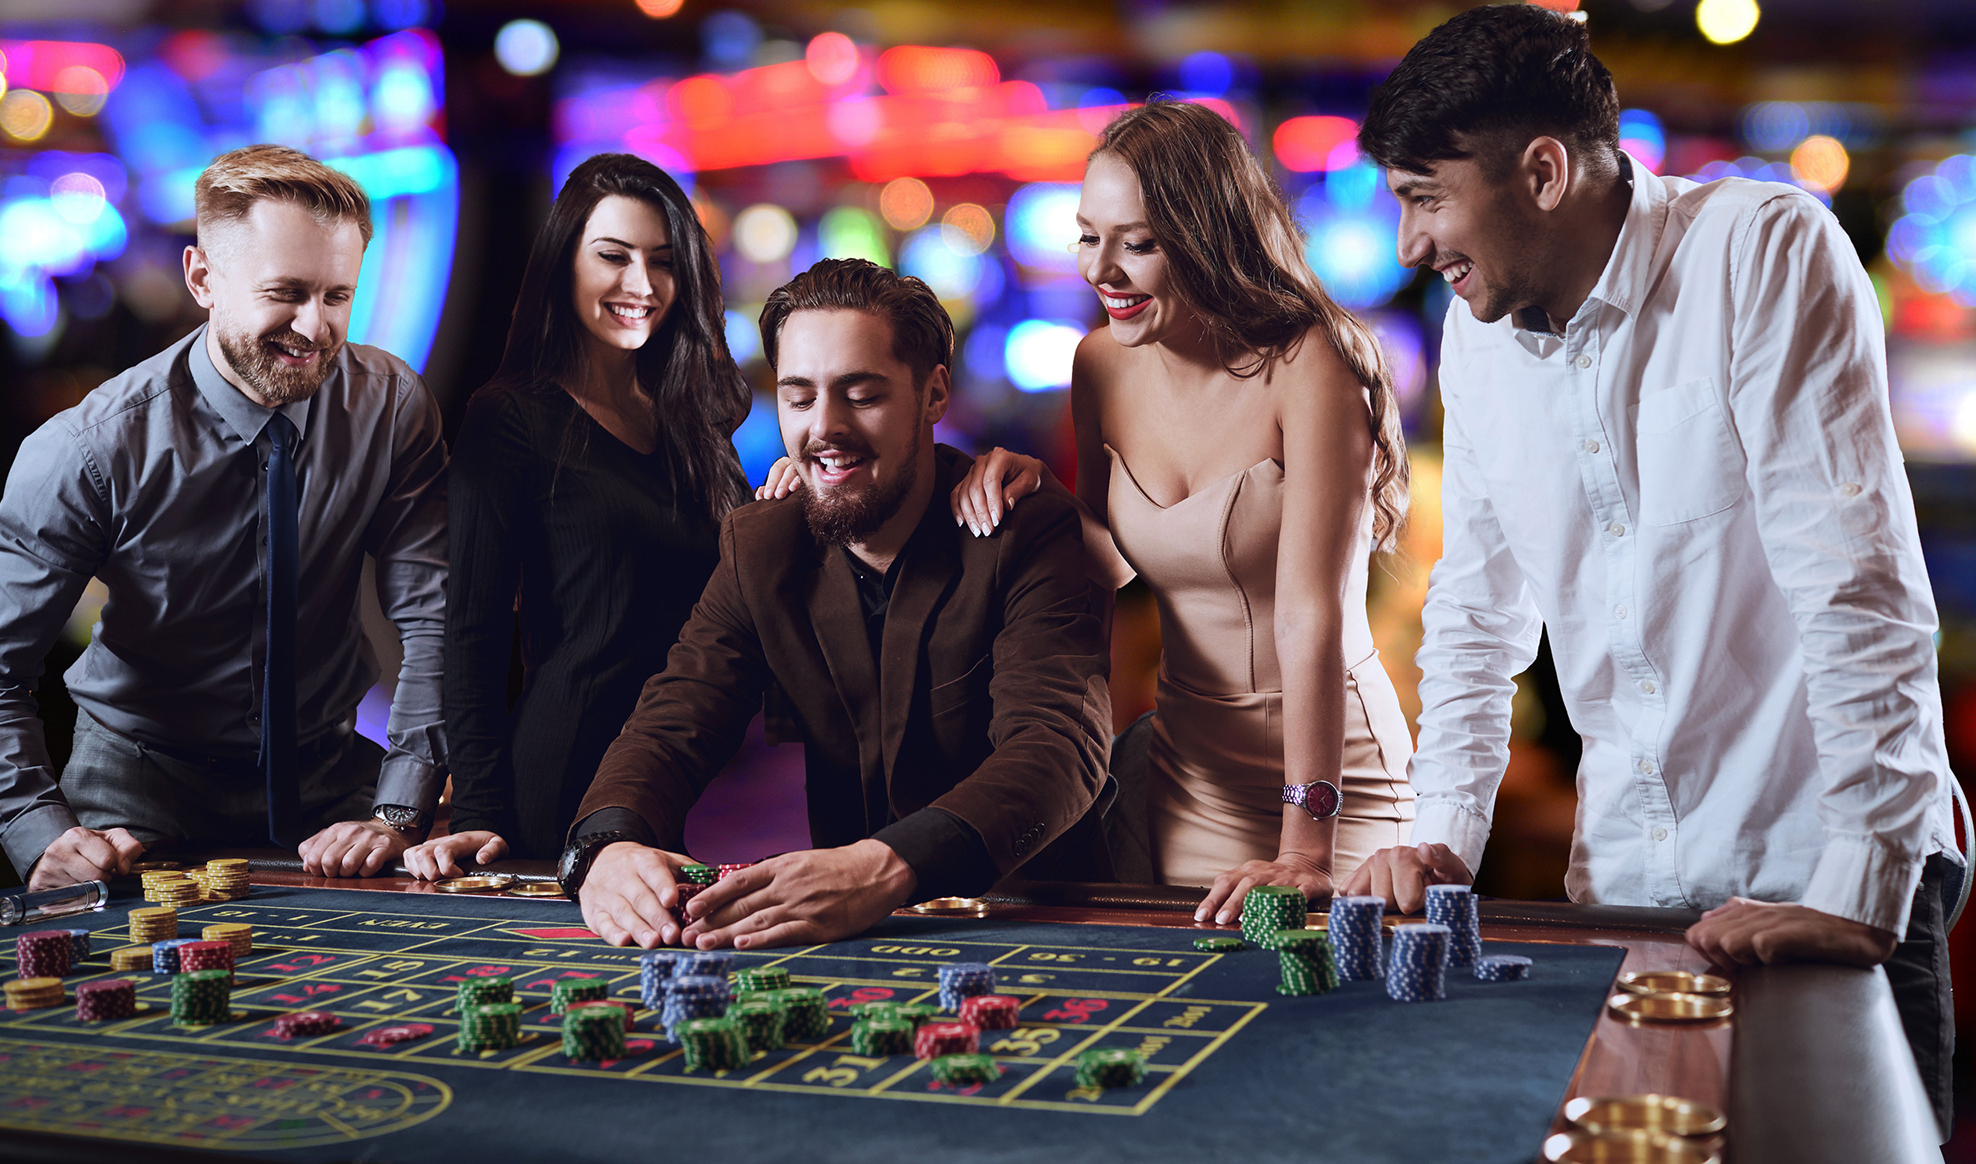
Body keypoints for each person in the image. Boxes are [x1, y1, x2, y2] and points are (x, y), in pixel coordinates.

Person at [1338, 4, 1958, 1136]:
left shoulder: (1760, 250)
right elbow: (1475, 608)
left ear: (1540, 172)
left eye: (1425, 199)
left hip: (1814, 862)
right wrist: (1443, 834)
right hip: (1624, 880)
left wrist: (1861, 890)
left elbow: (1852, 585)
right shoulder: (1476, 334)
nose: (1409, 246)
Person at [789, 101, 1414, 925]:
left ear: (1209, 235)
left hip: (1333, 786)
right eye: (1089, 236)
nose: (1101, 270)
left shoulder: (1312, 365)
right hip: (1192, 775)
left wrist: (1304, 846)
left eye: (1139, 243)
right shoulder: (1100, 365)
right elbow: (1107, 565)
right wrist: (1027, 490)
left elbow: (1312, 615)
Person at [562, 258, 1112, 949]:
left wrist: (884, 864)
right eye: (800, 397)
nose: (825, 428)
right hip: (856, 935)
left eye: (861, 394)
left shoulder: (1023, 528)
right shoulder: (762, 543)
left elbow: (1058, 747)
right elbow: (673, 720)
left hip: (1032, 915)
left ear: (934, 393)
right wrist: (610, 843)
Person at [0, 144, 449, 885]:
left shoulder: (390, 406)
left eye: (337, 296)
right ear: (202, 278)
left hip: (333, 790)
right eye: (285, 292)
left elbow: (435, 618)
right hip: (136, 800)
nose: (316, 327)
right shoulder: (89, 447)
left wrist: (398, 808)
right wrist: (38, 832)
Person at [402, 154, 749, 875]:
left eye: (662, 262)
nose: (641, 286)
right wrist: (478, 818)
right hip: (557, 782)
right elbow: (474, 633)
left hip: (672, 773)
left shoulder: (691, 423)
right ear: (565, 264)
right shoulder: (511, 418)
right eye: (613, 257)